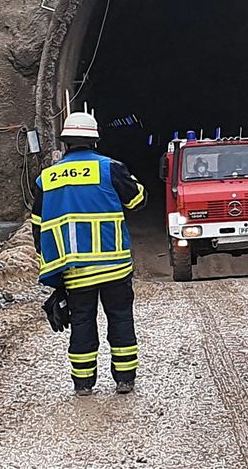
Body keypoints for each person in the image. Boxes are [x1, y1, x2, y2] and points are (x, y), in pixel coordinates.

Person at [31, 111, 147, 396]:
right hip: (115, 267)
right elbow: (138, 200)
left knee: (82, 322)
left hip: (75, 269)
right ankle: (124, 380)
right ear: (94, 140)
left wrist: (51, 273)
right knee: (120, 318)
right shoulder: (110, 168)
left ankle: (83, 384)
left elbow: (38, 226)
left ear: (66, 143)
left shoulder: (47, 178)